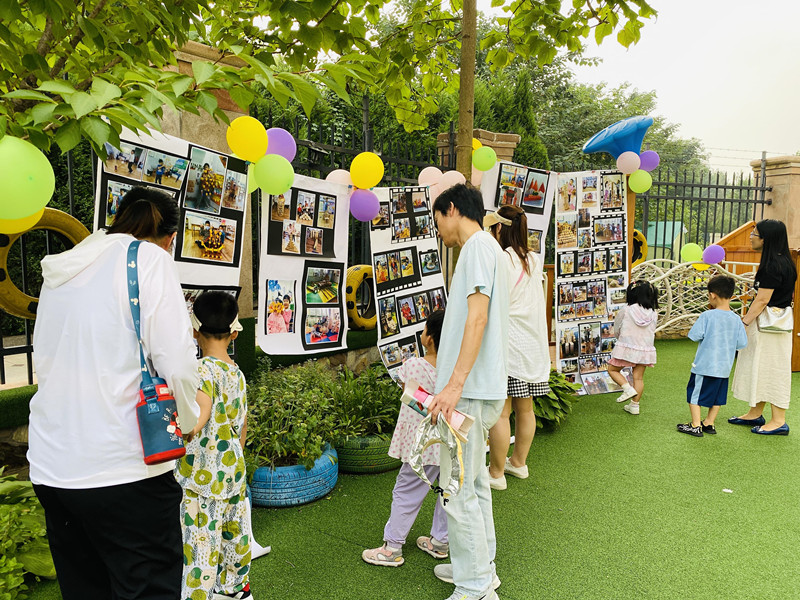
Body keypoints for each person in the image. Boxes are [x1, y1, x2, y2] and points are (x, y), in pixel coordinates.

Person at [28, 187, 200, 599]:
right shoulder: (151, 260)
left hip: (52, 466)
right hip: (124, 467)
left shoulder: (61, 271)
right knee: (147, 587)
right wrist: (190, 420)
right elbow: (177, 363)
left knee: (85, 588)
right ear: (170, 238)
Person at [428, 183, 509, 600]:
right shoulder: (492, 249)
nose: (437, 227)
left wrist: (454, 386)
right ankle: (479, 570)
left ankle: (475, 586)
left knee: (457, 489)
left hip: (472, 391)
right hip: (483, 388)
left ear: (453, 209)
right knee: (474, 485)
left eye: (437, 218)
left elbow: (476, 320)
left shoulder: (476, 248)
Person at [176, 291, 253, 600]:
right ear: (234, 332)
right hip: (233, 470)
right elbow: (242, 425)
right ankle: (235, 590)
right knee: (236, 536)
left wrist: (186, 427)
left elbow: (199, 415)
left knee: (201, 546)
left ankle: (198, 596)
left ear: (195, 331)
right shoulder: (237, 372)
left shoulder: (200, 371)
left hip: (203, 478)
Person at [362, 310, 449, 567]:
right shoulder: (457, 372)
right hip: (449, 445)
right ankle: (440, 542)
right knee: (446, 492)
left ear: (429, 338)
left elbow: (407, 394)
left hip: (422, 448)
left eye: (424, 330)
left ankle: (392, 548)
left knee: (407, 491)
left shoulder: (413, 366)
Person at [484, 206, 550, 491]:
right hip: (532, 346)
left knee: (501, 412)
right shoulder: (534, 259)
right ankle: (518, 463)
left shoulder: (501, 259)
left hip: (508, 344)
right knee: (526, 410)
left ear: (500, 228)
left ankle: (496, 472)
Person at [730, 219, 797, 435]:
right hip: (774, 323)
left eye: (755, 234)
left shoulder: (772, 265)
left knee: (772, 369)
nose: (751, 237)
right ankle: (754, 412)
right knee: (759, 365)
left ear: (765, 239)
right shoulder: (783, 262)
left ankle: (779, 421)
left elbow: (762, 300)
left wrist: (744, 322)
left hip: (769, 326)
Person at [677, 275, 748, 437]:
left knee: (694, 394)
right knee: (717, 396)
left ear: (712, 295)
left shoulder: (707, 316)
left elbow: (694, 335)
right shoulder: (737, 320)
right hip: (724, 368)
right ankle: (709, 422)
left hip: (704, 366)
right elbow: (742, 344)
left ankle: (695, 425)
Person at [606, 280, 659, 415]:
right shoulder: (653, 313)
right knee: (638, 378)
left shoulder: (626, 310)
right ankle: (634, 406)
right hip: (645, 350)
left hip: (626, 347)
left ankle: (627, 389)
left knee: (612, 370)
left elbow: (617, 328)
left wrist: (620, 338)